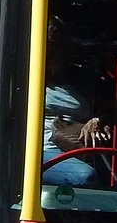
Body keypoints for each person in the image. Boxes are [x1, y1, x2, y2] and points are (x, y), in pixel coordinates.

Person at [42, 22, 112, 186]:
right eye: (50, 46)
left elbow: (110, 109)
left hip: (83, 147)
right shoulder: (24, 75)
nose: (54, 53)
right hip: (43, 150)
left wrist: (96, 121)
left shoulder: (84, 78)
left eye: (59, 45)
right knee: (85, 176)